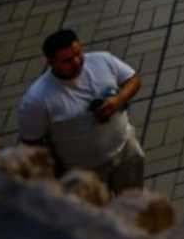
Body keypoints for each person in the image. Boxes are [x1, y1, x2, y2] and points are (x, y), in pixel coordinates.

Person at [16, 30, 144, 193]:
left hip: (125, 151)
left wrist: (117, 101)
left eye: (78, 54)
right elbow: (31, 143)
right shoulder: (37, 100)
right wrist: (58, 172)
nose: (77, 62)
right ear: (51, 62)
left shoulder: (102, 60)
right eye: (67, 60)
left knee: (134, 201)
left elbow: (133, 80)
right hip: (84, 171)